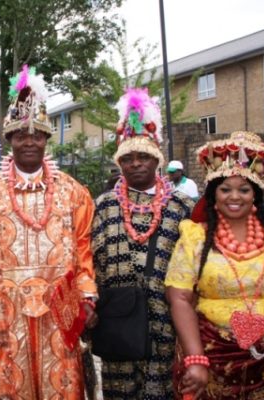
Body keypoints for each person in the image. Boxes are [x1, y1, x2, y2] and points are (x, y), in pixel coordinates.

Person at [0, 65, 98, 399]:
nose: (29, 141)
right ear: (10, 139)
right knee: (10, 382)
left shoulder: (73, 192)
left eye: (36, 134)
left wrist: (87, 296)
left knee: (63, 379)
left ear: (46, 139)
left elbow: (83, 249)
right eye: (21, 134)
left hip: (61, 298)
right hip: (5, 303)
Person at [165, 132, 264, 399]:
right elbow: (179, 296)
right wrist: (195, 358)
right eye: (225, 189)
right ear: (212, 194)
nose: (235, 197)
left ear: (256, 194)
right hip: (214, 358)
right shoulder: (195, 237)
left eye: (244, 189)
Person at [91, 87, 194, 399]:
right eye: (128, 158)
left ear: (157, 159)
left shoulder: (182, 206)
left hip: (167, 322)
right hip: (118, 319)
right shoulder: (105, 205)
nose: (136, 164)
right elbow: (90, 259)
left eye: (144, 157)